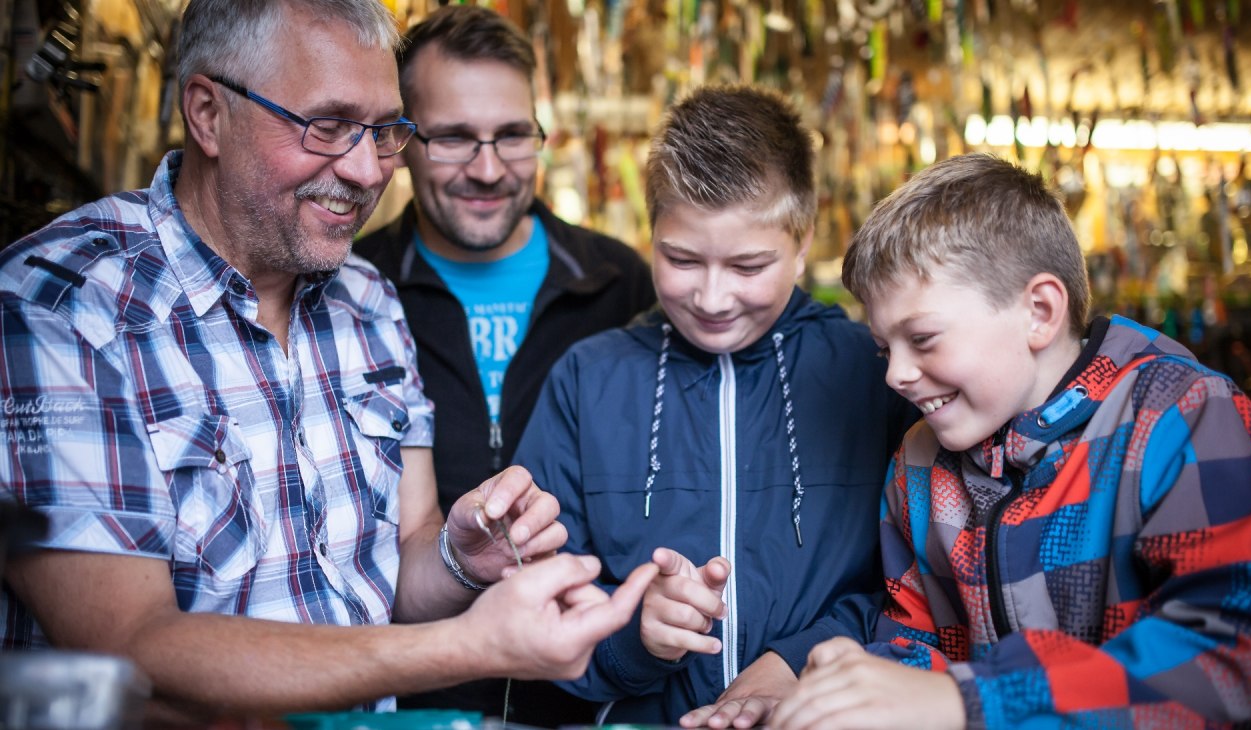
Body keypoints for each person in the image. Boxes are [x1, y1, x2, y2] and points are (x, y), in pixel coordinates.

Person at [0, 0, 655, 722]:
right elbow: (126, 646)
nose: (368, 169)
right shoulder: (62, 302)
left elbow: (407, 555)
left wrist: (462, 559)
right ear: (208, 114)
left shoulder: (367, 298)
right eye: (330, 127)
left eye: (385, 131)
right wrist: (471, 646)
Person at [771, 153, 1251, 729]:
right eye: (886, 348)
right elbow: (912, 635)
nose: (894, 375)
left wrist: (971, 701)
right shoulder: (917, 466)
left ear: (1039, 311)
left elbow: (1238, 648)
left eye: (922, 337)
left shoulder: (1180, 415)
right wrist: (867, 678)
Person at [513, 84, 918, 727]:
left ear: (803, 240)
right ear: (651, 234)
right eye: (680, 259)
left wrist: (797, 661)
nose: (712, 296)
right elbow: (536, 596)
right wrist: (635, 637)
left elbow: (923, 582)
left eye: (748, 265)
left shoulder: (875, 372)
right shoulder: (589, 380)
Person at [352, 6, 655, 723]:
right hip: (415, 698)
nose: (488, 169)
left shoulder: (623, 284)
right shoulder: (351, 293)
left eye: (513, 135)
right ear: (403, 141)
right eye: (454, 137)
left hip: (595, 691)